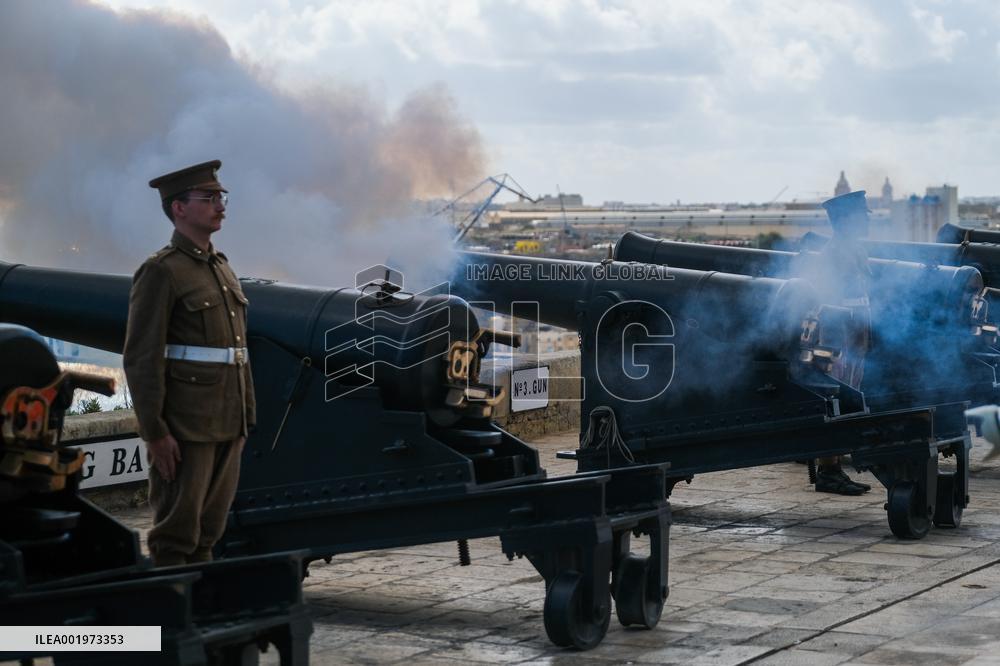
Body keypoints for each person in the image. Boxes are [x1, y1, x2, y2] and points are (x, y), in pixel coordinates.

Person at [123, 160, 255, 566]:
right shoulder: (161, 271)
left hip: (228, 420)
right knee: (176, 535)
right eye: (209, 198)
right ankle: (168, 623)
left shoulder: (221, 268)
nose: (220, 205)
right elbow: (141, 357)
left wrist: (245, 418)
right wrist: (155, 432)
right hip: (186, 426)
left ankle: (199, 613)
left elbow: (236, 351)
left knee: (208, 533)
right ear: (179, 208)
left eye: (221, 197)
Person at [811, 190, 873, 495]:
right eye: (861, 215)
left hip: (855, 340)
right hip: (838, 343)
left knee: (846, 405)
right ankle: (828, 471)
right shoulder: (833, 254)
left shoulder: (856, 251)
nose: (866, 221)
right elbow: (827, 302)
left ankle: (836, 467)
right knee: (832, 405)